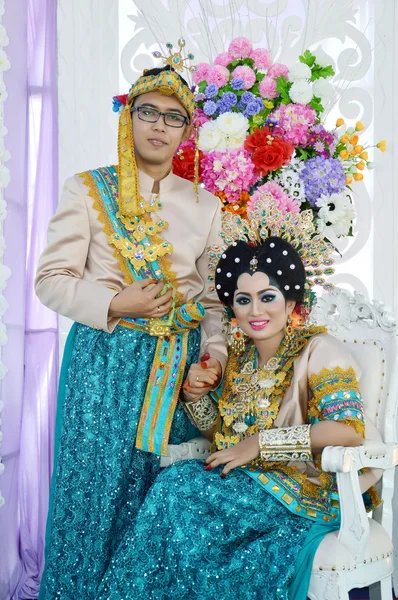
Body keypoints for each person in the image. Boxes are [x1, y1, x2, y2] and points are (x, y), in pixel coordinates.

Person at [97, 202, 380, 600]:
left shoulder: (321, 350)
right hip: (244, 486)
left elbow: (347, 432)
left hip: (303, 490)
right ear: (231, 306)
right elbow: (225, 433)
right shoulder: (240, 355)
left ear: (291, 299)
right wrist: (195, 397)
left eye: (267, 296)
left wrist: (261, 444)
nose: (256, 311)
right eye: (243, 300)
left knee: (178, 490)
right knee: (174, 486)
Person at [35, 61, 227, 599]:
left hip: (174, 370)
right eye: (148, 112)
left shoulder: (206, 206)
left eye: (173, 117)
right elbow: (50, 282)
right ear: (129, 116)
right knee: (92, 495)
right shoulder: (87, 190)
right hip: (103, 363)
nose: (159, 126)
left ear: (186, 132)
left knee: (157, 501)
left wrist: (211, 357)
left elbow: (214, 302)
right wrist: (119, 301)